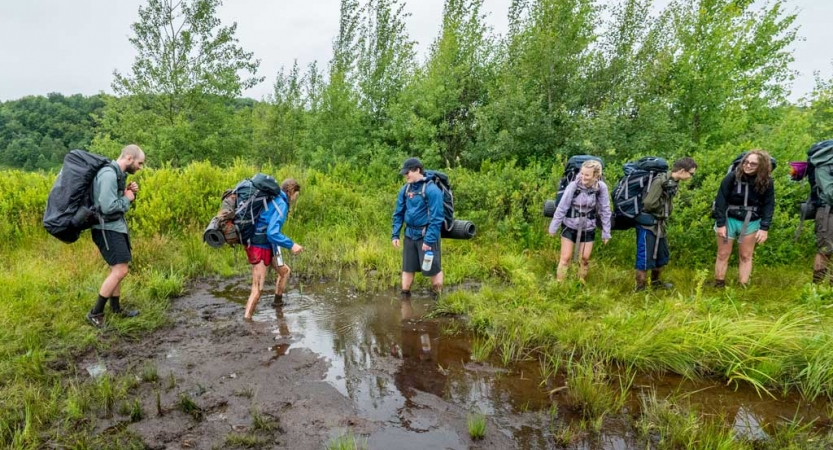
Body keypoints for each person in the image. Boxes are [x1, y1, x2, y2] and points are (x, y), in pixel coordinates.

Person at [86, 144, 145, 327]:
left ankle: (116, 309)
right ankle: (95, 313)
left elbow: (111, 199)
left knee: (117, 270)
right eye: (139, 163)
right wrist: (127, 198)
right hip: (107, 229)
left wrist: (126, 190)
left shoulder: (116, 175)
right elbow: (107, 207)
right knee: (121, 270)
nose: (140, 167)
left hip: (114, 228)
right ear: (129, 158)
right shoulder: (108, 174)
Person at [243, 179, 304, 320]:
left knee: (285, 271)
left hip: (269, 246)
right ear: (291, 192)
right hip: (259, 245)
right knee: (257, 288)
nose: (296, 198)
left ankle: (277, 303)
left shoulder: (276, 199)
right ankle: (247, 320)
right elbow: (272, 233)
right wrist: (291, 245)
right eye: (296, 195)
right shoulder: (281, 204)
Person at [712, 150, 775, 288]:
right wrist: (721, 223)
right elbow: (720, 200)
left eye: (753, 164)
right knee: (723, 253)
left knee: (746, 255)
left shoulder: (767, 182)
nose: (748, 166)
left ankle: (743, 286)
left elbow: (769, 205)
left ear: (761, 166)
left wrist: (764, 228)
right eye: (746, 162)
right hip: (729, 219)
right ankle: (719, 284)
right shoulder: (732, 177)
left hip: (751, 221)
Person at [634, 157, 698, 291]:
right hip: (648, 224)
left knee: (661, 256)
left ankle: (656, 283)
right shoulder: (660, 181)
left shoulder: (672, 182)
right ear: (681, 170)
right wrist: (661, 210)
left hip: (659, 225)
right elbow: (648, 203)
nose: (691, 176)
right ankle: (640, 288)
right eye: (691, 173)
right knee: (644, 257)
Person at [547, 160, 612, 282]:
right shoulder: (573, 186)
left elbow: (605, 210)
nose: (583, 177)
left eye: (587, 175)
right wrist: (553, 227)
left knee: (585, 259)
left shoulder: (601, 188)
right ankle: (559, 284)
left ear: (596, 176)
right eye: (582, 173)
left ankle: (580, 283)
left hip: (588, 227)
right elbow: (562, 207)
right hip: (570, 225)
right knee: (565, 258)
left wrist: (606, 232)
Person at [392, 157, 444, 298]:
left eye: (408, 172)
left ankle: (438, 298)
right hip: (409, 235)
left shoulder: (432, 190)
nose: (405, 175)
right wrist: (395, 234)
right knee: (408, 268)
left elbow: (437, 218)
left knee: (433, 269)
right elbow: (398, 213)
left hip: (426, 235)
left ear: (418, 170)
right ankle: (404, 296)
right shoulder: (405, 189)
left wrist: (429, 240)